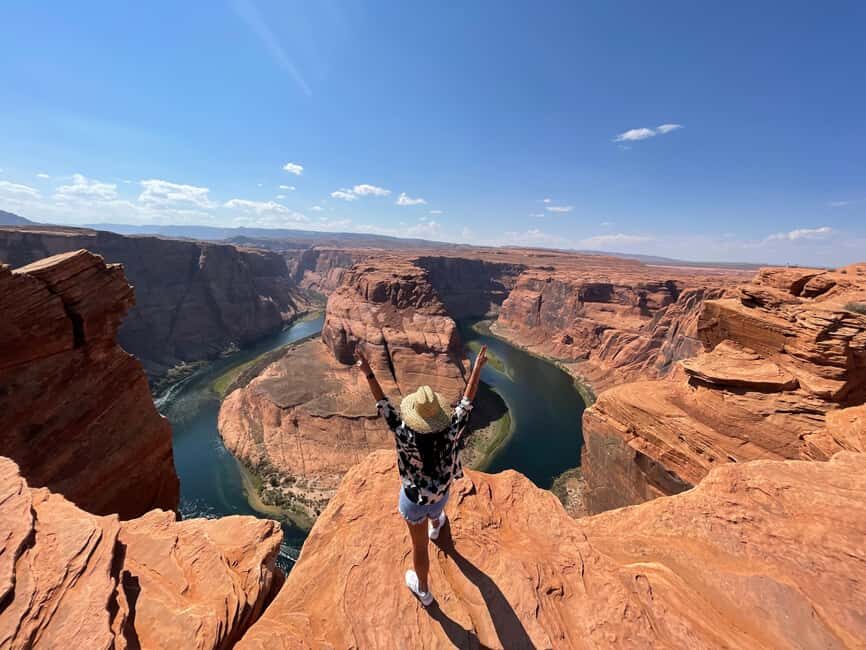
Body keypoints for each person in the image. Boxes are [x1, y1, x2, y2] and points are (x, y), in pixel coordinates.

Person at [354, 344, 488, 607]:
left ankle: (423, 590)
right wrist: (476, 370)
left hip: (414, 502)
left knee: (419, 548)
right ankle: (437, 526)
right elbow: (467, 402)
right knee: (437, 510)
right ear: (438, 415)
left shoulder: (404, 434)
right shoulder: (451, 431)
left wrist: (368, 371)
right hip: (440, 494)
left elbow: (383, 404)